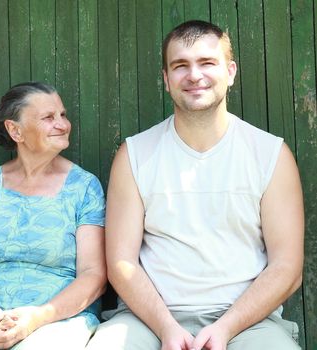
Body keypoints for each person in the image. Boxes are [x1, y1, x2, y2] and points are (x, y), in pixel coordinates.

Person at [86, 20, 304, 350]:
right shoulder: (135, 154)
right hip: (149, 317)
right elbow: (121, 262)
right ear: (166, 79)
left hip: (249, 320)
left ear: (230, 72)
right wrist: (166, 327)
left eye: (207, 63)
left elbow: (287, 267)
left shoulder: (271, 154)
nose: (194, 75)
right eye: (180, 66)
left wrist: (226, 328)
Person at [0, 82, 106, 349]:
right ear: (15, 130)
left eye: (62, 115)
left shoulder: (84, 188)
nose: (62, 124)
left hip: (56, 321)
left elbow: (93, 274)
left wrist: (37, 317)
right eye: (48, 118)